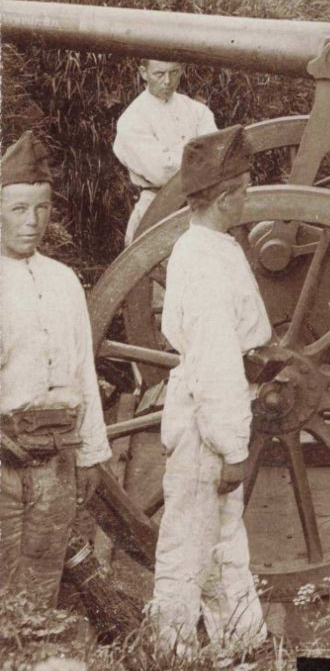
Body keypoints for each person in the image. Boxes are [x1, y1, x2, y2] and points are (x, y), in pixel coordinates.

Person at [147, 125, 268, 658]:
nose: (248, 198)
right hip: (207, 425)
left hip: (207, 415)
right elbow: (218, 364)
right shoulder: (206, 262)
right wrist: (234, 449)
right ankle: (170, 656)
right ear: (224, 198)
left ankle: (237, 645)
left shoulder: (203, 248)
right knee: (188, 548)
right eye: (243, 189)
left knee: (220, 542)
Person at [0, 132, 112, 609]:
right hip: (3, 461)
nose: (32, 222)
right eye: (18, 209)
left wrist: (91, 453)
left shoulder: (64, 282)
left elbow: (83, 369)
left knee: (42, 579)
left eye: (42, 209)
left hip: (55, 460)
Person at [113, 59, 218, 245]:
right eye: (159, 74)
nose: (168, 81)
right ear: (143, 72)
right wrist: (199, 157)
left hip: (200, 208)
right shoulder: (132, 120)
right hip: (156, 208)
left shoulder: (197, 111)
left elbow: (217, 155)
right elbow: (162, 173)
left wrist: (178, 158)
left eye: (174, 72)